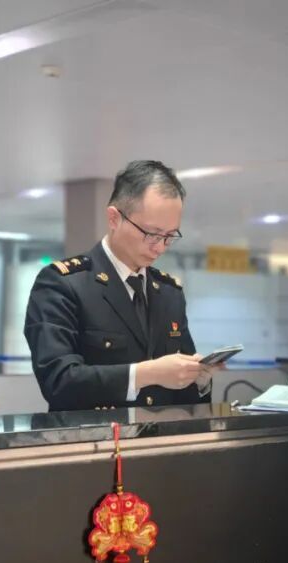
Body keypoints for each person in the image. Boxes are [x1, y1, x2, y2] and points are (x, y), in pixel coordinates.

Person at [24, 160, 218, 411]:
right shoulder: (63, 284)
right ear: (114, 218)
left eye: (170, 236)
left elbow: (186, 404)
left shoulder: (169, 293)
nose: (160, 247)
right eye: (152, 234)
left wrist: (198, 379)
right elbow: (58, 381)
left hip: (161, 435)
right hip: (95, 435)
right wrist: (146, 373)